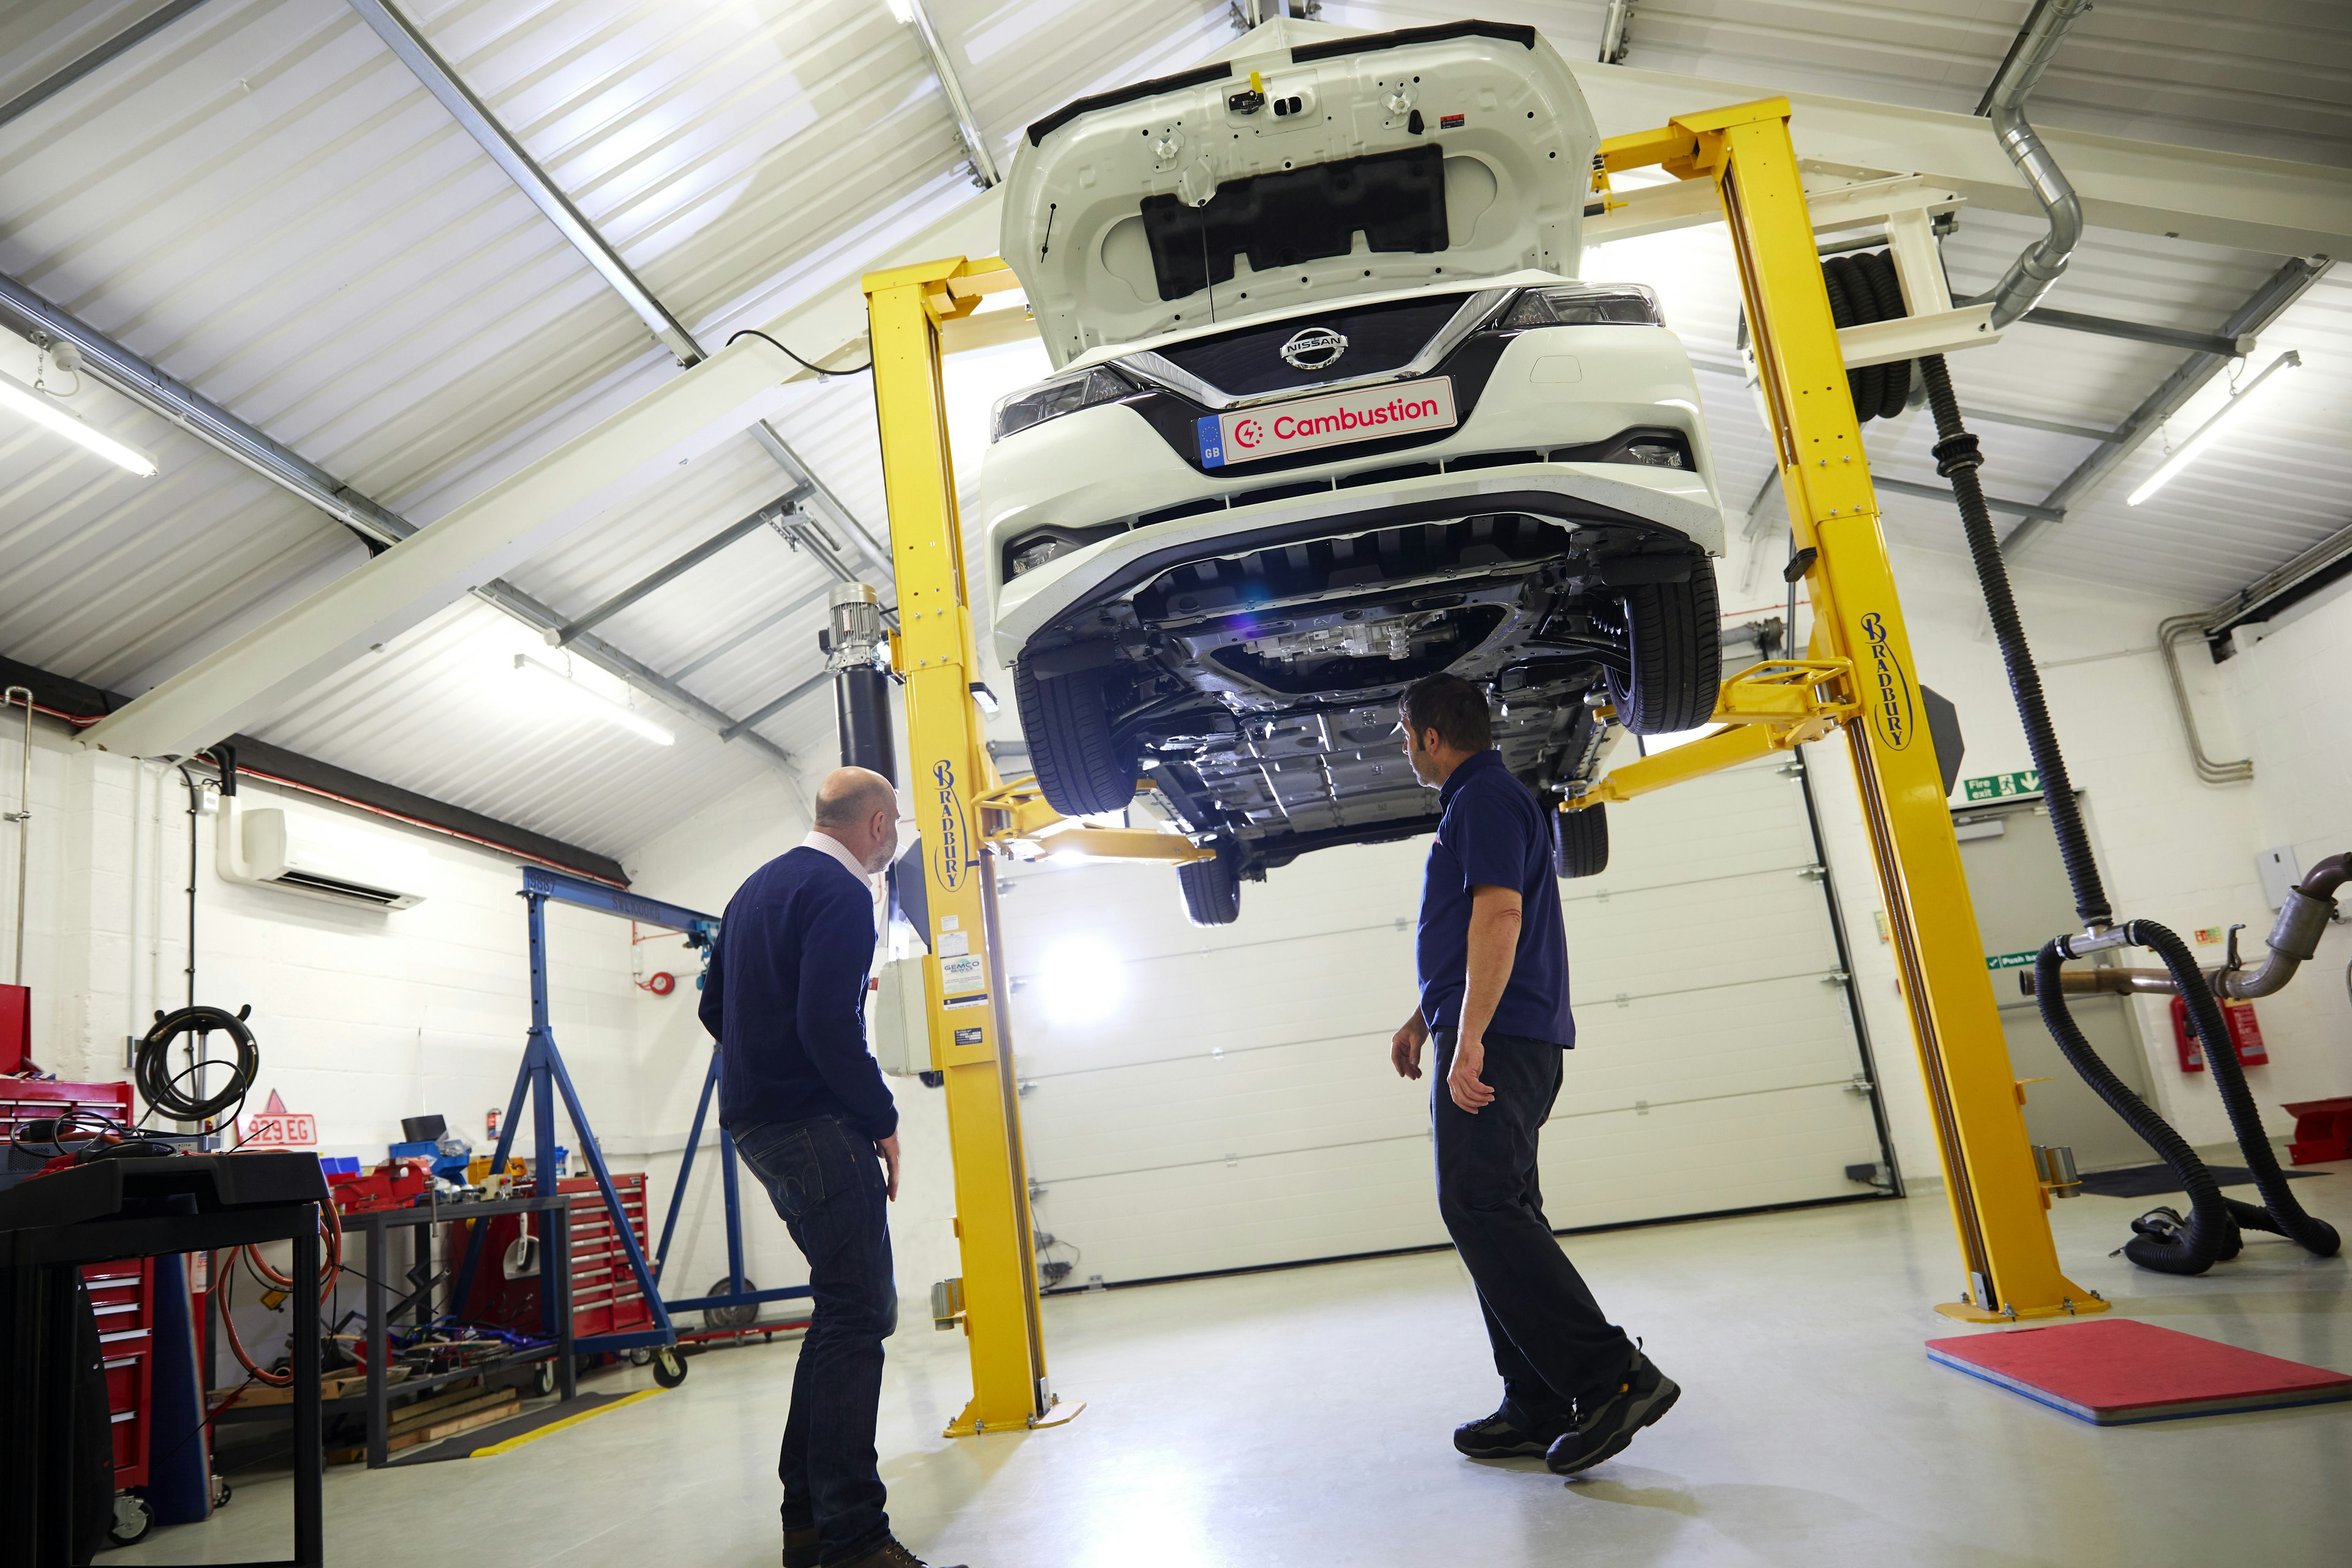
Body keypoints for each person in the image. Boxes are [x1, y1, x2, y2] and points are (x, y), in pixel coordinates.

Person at [1387, 674, 1679, 1476]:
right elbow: (1470, 932)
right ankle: (1539, 1401)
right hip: (1502, 1030)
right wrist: (1428, 1017)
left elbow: (1500, 915)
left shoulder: (1481, 802)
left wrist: (1470, 1033)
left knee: (1479, 1203)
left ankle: (1614, 1377)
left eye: (1401, 733)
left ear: (1429, 736)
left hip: (1501, 1036)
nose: (1400, 747)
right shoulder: (1483, 801)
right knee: (1501, 1209)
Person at [701, 766, 962, 1568]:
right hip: (814, 1127)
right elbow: (825, 1020)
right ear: (879, 824)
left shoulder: (757, 888)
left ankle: (809, 1522)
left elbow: (714, 1009)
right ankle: (855, 1540)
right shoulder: (846, 894)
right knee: (860, 1316)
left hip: (757, 1122)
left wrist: (769, 1069)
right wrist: (880, 1121)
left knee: (842, 1312)